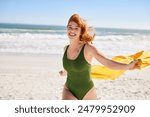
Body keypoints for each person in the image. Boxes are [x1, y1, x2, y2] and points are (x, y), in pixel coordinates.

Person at [59, 14, 140, 100]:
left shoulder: (88, 48)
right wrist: (64, 72)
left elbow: (107, 62)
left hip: (87, 92)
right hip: (69, 89)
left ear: (81, 31)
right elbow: (70, 68)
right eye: (70, 27)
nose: (72, 30)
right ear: (66, 28)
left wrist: (127, 66)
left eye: (76, 28)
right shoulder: (65, 49)